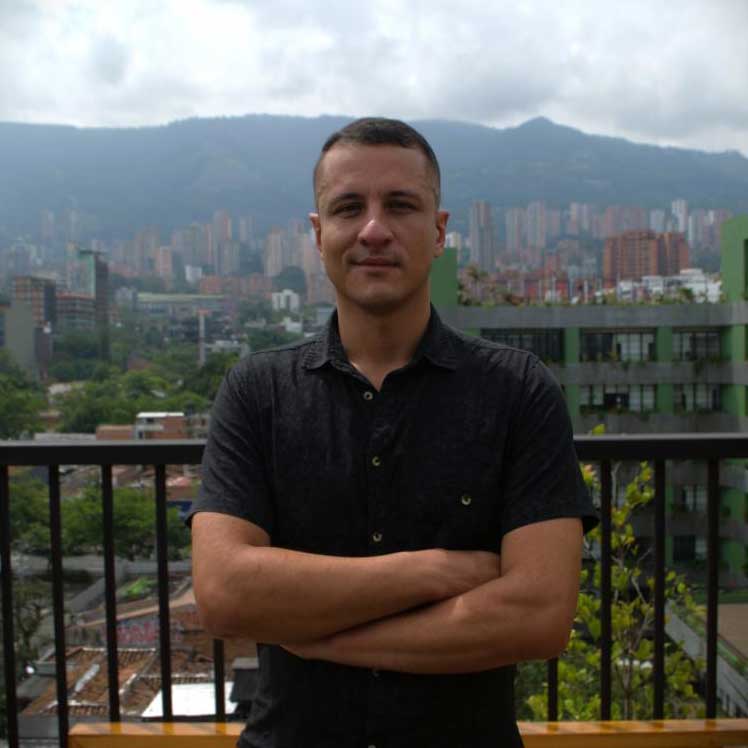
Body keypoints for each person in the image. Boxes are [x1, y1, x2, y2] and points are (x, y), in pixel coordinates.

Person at [189, 117, 598, 747]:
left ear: (438, 230)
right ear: (318, 233)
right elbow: (224, 593)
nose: (374, 230)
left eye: (401, 205)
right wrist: (432, 572)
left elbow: (540, 616)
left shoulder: (516, 390)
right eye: (349, 207)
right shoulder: (258, 392)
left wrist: (318, 637)